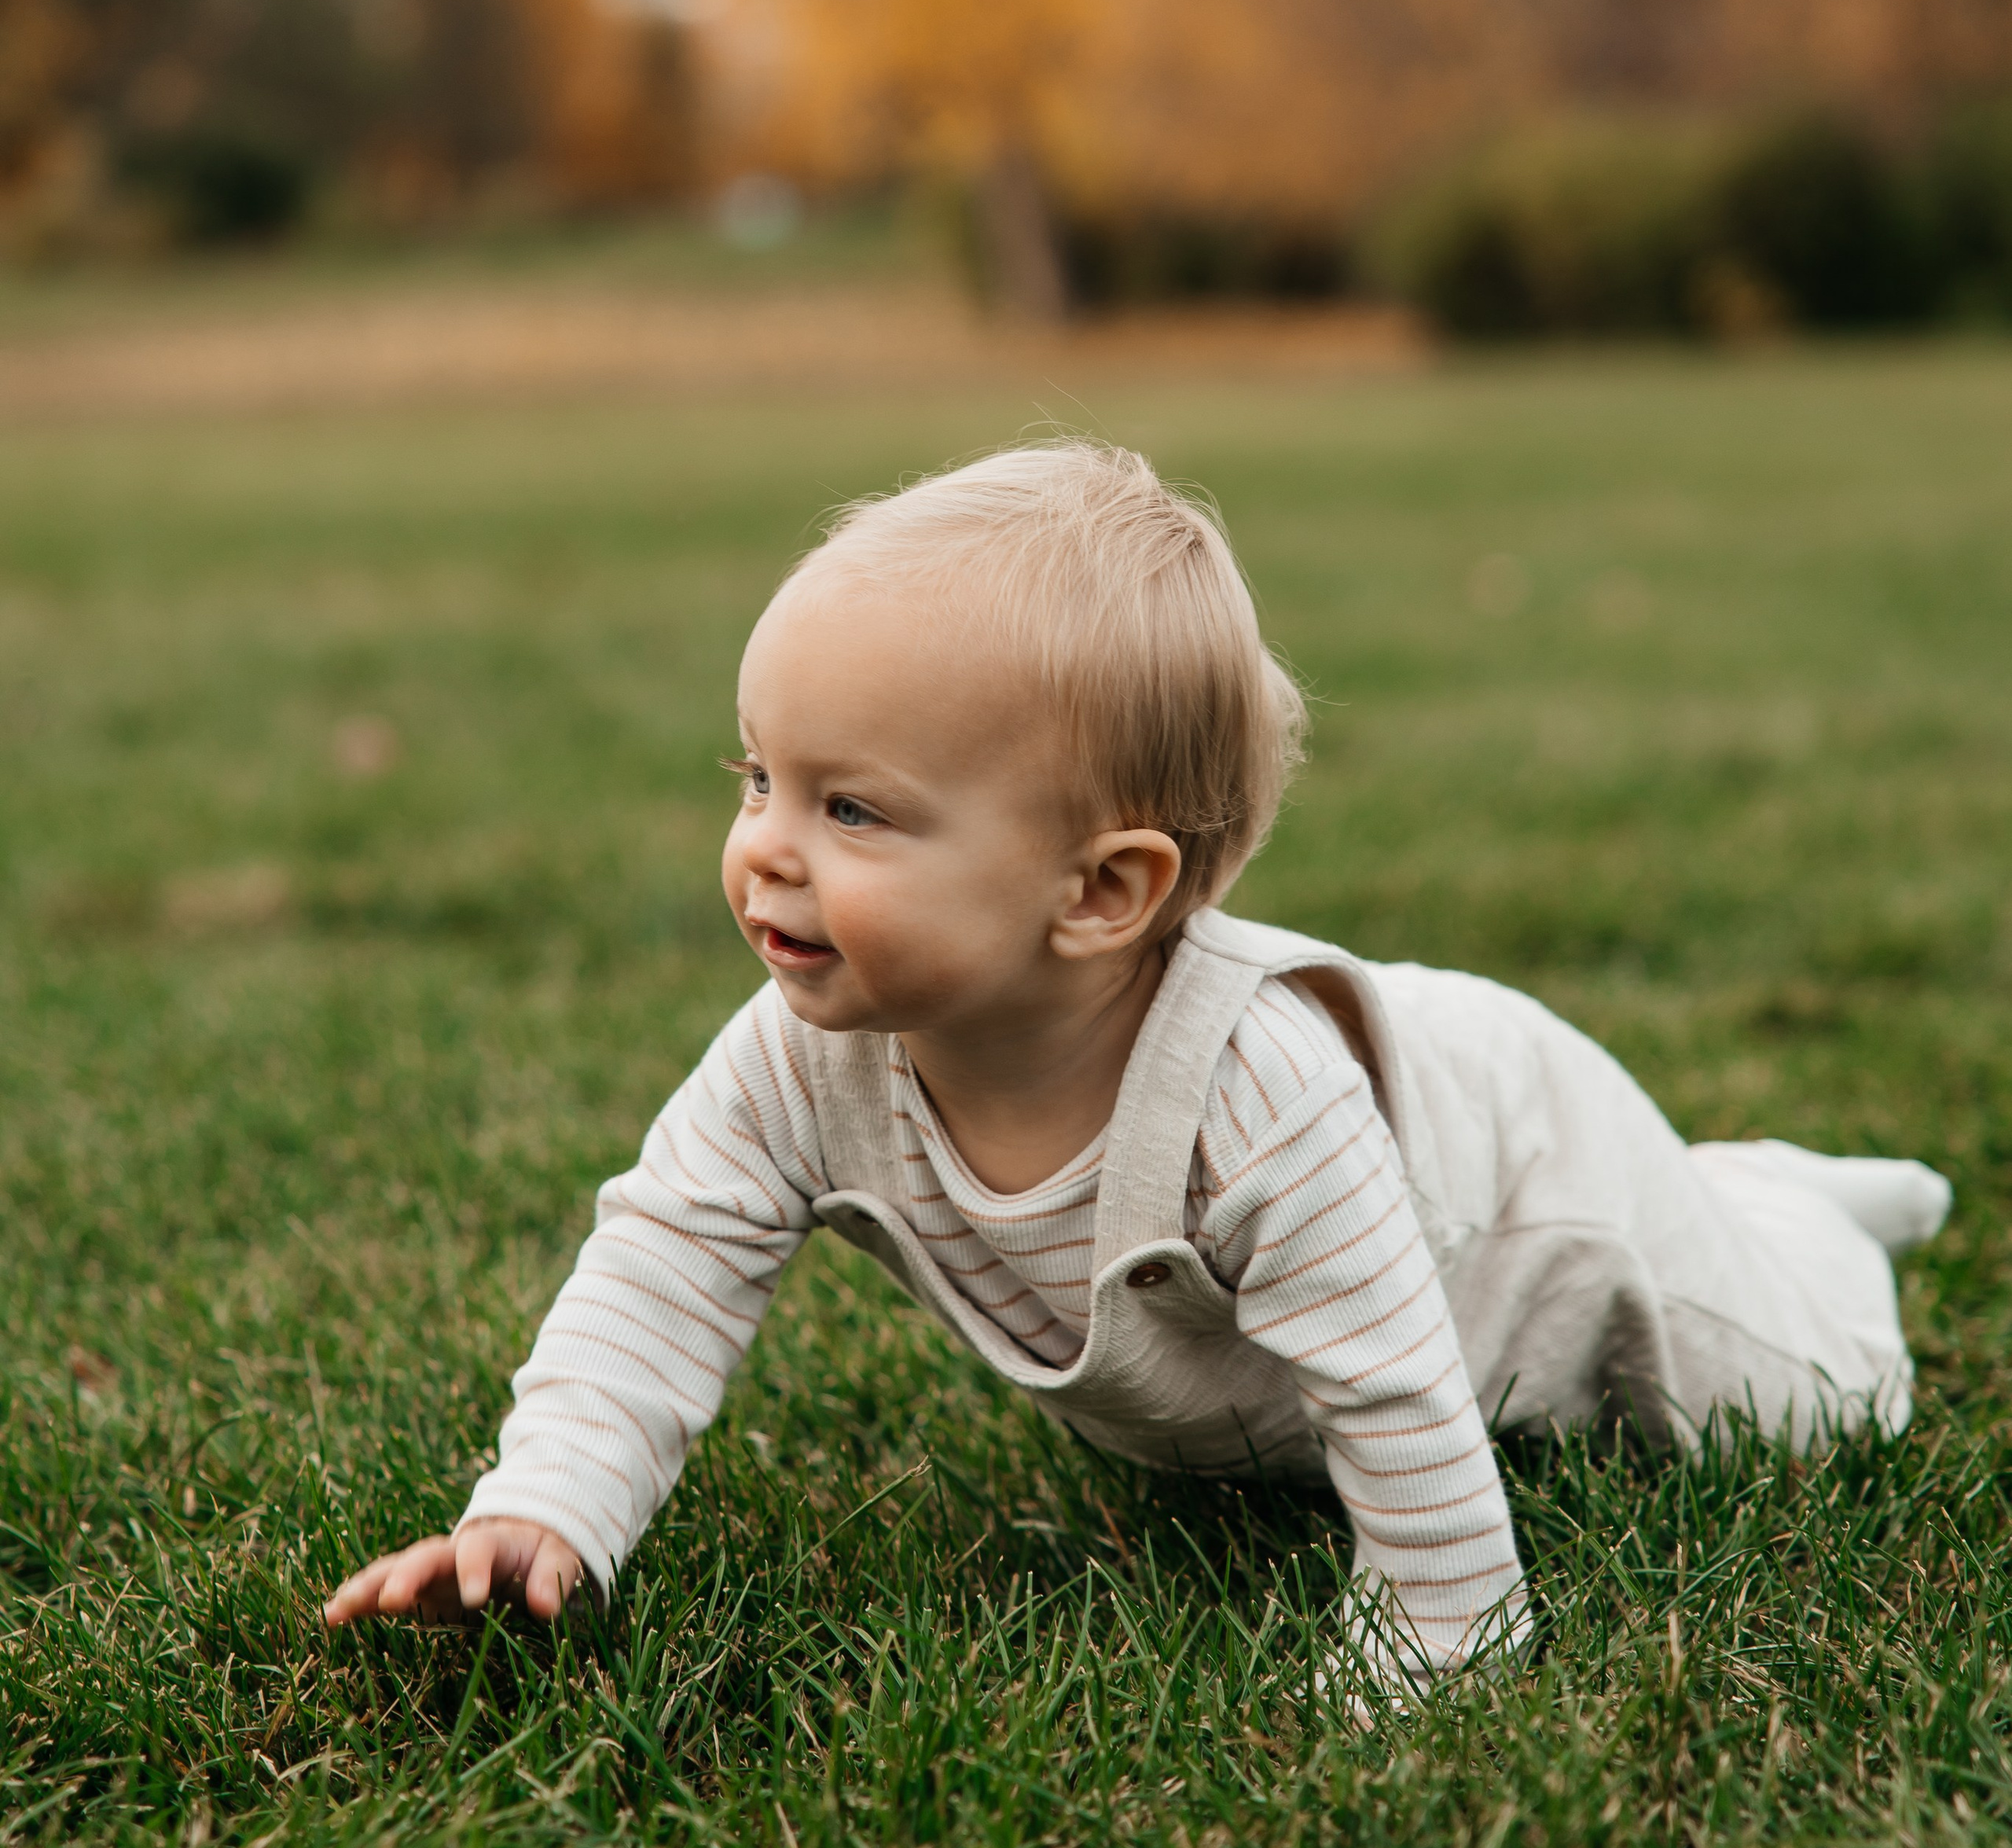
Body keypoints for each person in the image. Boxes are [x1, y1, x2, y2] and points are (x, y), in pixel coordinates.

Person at [322, 443, 1950, 1706]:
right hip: (1335, 1290)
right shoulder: (800, 1058)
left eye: (852, 810)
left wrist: (1443, 1629)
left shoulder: (1258, 1095)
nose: (765, 850)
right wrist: (544, 1511)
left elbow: (1393, 1380)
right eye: (758, 779)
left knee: (1784, 1388)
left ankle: (1802, 1220)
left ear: (1100, 892)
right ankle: (1769, 1185)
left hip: (1531, 1196)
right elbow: (665, 1265)